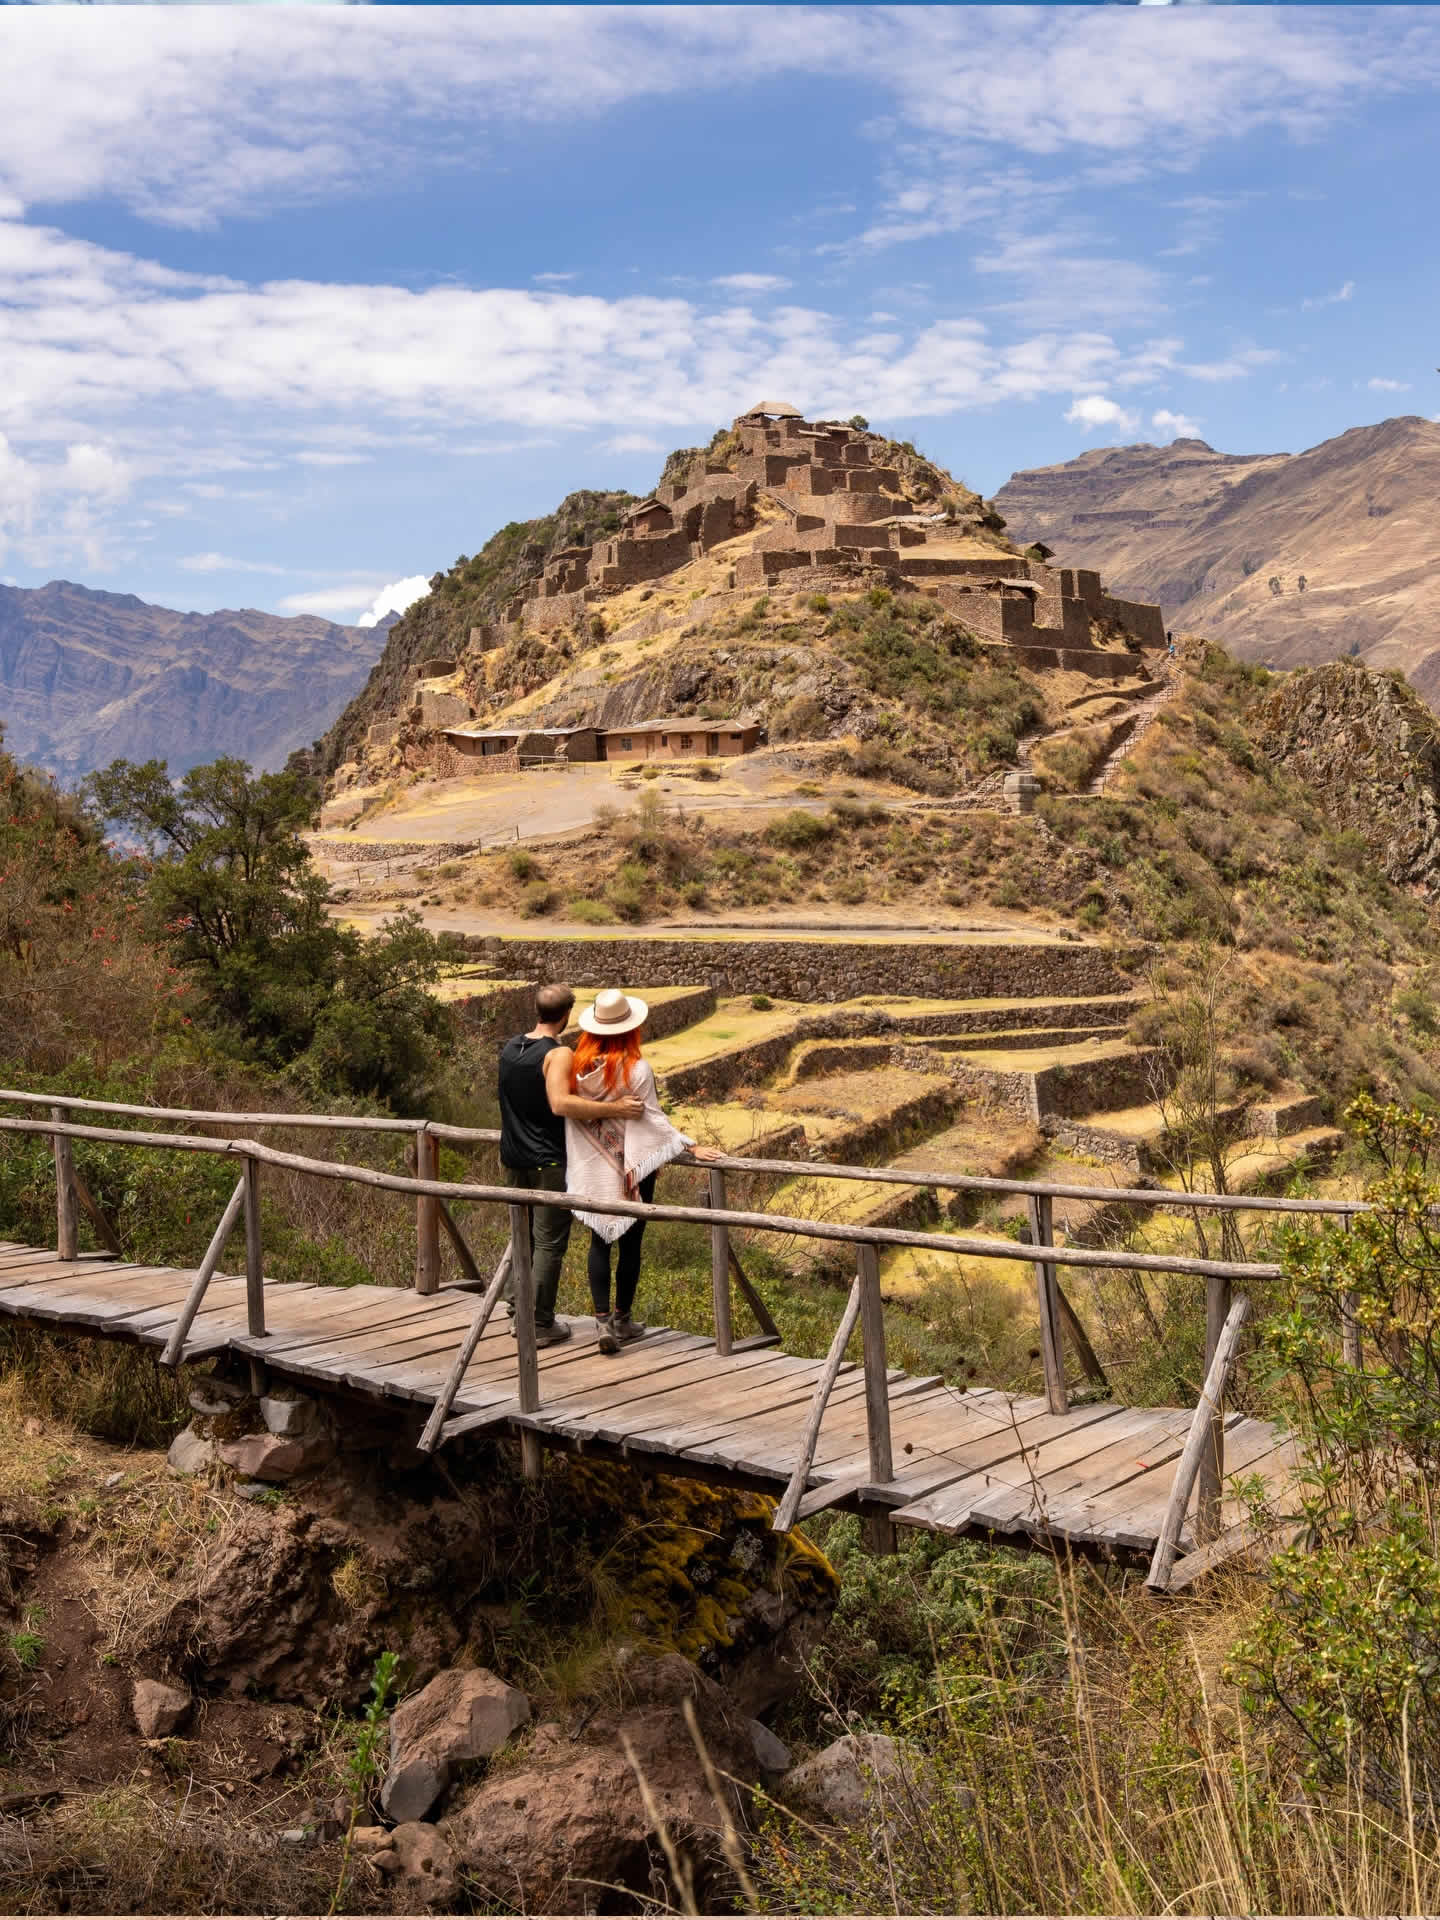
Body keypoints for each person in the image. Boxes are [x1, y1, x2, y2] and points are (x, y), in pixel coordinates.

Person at [563, 987, 716, 1354]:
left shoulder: (576, 1068)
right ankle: (622, 1318)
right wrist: (690, 1144)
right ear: (631, 1029)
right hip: (633, 1168)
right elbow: (653, 1121)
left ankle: (601, 1321)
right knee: (631, 1243)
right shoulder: (636, 1069)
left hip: (591, 1166)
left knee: (599, 1241)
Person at [497, 983, 643, 1346]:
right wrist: (615, 1109)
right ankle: (540, 1322)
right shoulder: (556, 1053)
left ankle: (518, 1309)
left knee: (522, 1235)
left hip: (512, 1155)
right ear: (565, 1016)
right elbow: (560, 1104)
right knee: (548, 1243)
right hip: (546, 1158)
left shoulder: (512, 1047)